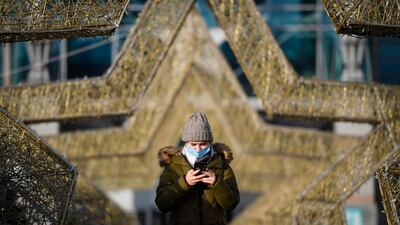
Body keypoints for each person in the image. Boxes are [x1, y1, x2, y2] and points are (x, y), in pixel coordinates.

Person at [155, 112, 240, 225]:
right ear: (186, 143)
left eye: (203, 144)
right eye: (193, 144)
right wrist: (184, 183)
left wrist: (216, 182)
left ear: (209, 143)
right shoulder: (173, 166)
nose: (198, 149)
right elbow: (162, 204)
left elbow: (232, 203)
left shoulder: (222, 165)